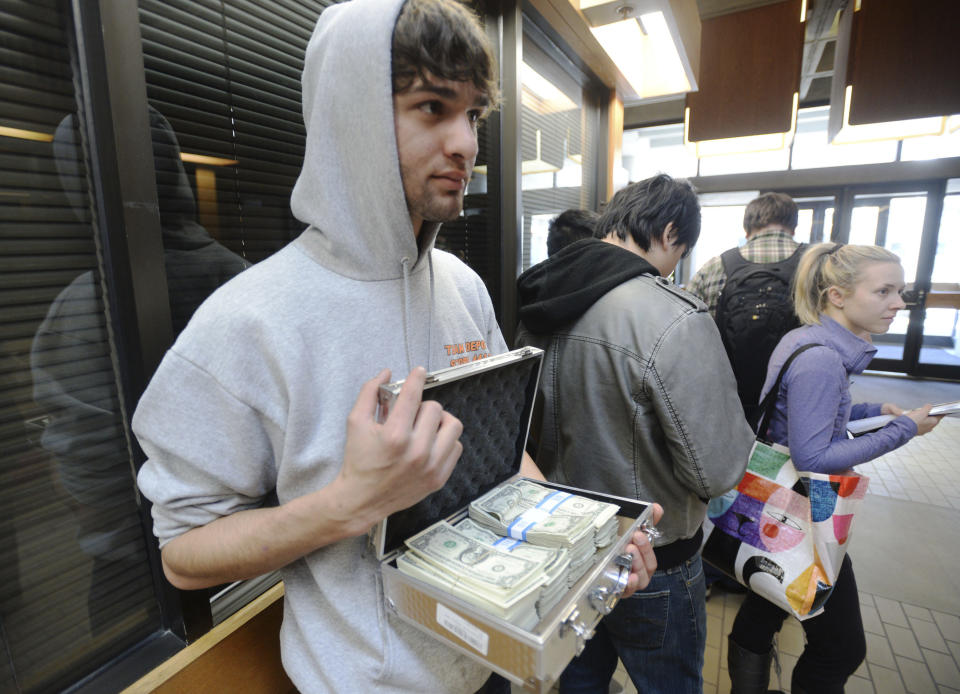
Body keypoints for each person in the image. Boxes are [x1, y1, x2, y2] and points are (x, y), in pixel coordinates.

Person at [133, 1, 658, 692]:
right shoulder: (247, 321)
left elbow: (502, 456)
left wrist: (583, 548)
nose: (467, 143)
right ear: (354, 117)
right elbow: (183, 554)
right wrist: (350, 503)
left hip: (487, 662)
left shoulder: (463, 287)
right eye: (432, 107)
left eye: (473, 114)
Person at [515, 174, 755, 694]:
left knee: (579, 682)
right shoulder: (671, 317)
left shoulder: (537, 300)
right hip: (652, 557)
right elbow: (714, 470)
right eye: (681, 251)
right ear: (670, 232)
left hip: (563, 548)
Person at [726, 243, 942, 694]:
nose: (899, 303)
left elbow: (806, 414)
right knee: (841, 648)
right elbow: (813, 456)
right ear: (837, 296)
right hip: (808, 503)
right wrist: (901, 429)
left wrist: (870, 410)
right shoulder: (824, 359)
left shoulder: (804, 337)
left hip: (779, 500)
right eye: (884, 291)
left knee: (768, 599)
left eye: (899, 291)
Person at [687, 192, 804, 424]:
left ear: (747, 229)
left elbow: (687, 330)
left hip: (730, 394)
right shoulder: (817, 263)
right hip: (798, 395)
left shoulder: (715, 266)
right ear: (793, 227)